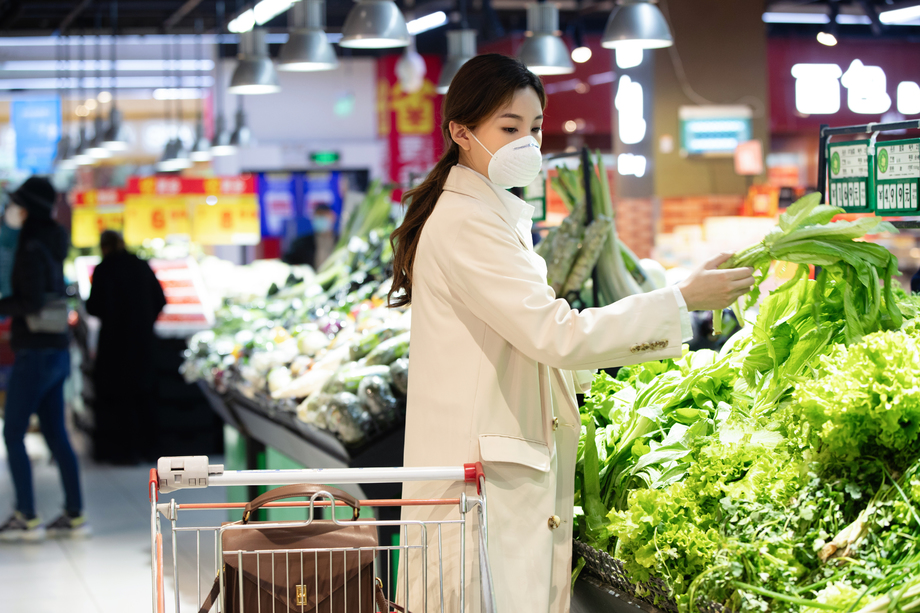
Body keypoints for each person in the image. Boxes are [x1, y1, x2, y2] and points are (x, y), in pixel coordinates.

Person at [389, 54, 755, 612]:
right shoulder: (467, 223)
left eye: (534, 128)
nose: (527, 143)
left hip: (489, 468)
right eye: (508, 128)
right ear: (460, 132)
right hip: (481, 480)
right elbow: (552, 333)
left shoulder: (489, 212)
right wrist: (680, 300)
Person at [0, 176, 86, 541]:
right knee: (55, 434)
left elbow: (30, 301)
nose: (10, 210)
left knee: (13, 431)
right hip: (56, 349)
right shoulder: (53, 239)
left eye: (15, 203)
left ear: (27, 208)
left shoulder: (30, 246)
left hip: (34, 352)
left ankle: (26, 515)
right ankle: (75, 514)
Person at [85, 230, 166, 465]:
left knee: (119, 400)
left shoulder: (104, 269)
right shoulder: (141, 266)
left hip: (114, 346)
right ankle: (150, 450)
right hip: (143, 344)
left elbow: (94, 306)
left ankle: (123, 452)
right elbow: (161, 300)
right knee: (146, 396)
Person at [283, 204, 338, 270]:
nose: (321, 219)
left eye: (324, 215)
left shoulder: (341, 241)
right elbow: (287, 263)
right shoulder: (301, 244)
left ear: (333, 217)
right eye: (318, 216)